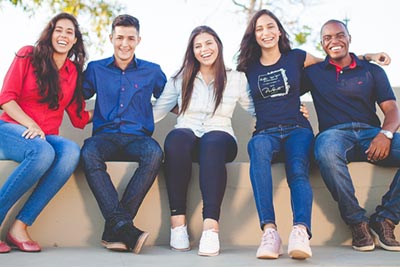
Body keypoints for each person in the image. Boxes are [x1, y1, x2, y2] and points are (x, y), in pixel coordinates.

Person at [236, 9, 390, 260]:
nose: (266, 33)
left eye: (271, 26)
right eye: (260, 29)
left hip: (298, 129)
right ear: (253, 35)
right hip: (265, 131)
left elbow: (334, 61)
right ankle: (270, 232)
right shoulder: (247, 68)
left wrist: (368, 56)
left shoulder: (296, 57)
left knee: (297, 168)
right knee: (258, 150)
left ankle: (300, 231)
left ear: (279, 31)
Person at [152, 25, 255, 257]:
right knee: (176, 139)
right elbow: (156, 113)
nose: (204, 49)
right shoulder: (180, 79)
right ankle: (178, 225)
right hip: (187, 135)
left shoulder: (236, 79)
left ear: (218, 44)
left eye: (208, 43)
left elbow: (256, 109)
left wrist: (290, 111)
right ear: (192, 51)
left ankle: (211, 228)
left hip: (220, 137)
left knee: (212, 142)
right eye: (197, 46)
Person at [302, 19, 400, 252]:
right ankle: (357, 222)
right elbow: (288, 67)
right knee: (324, 150)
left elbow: (392, 110)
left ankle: (385, 219)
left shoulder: (372, 70)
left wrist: (385, 134)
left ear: (349, 38)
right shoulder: (314, 73)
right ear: (322, 44)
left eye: (339, 35)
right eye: (327, 38)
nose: (334, 41)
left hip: (372, 134)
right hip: (334, 135)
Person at [0, 13, 91, 253]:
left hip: (45, 136)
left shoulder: (73, 72)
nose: (63, 35)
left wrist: (116, 112)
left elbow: (78, 116)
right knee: (42, 153)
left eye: (69, 32)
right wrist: (29, 124)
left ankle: (19, 226)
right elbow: (6, 98)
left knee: (71, 151)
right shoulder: (28, 55)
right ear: (50, 34)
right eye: (58, 30)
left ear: (75, 40)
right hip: (11, 127)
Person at [80, 14, 166, 254]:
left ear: (139, 39)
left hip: (138, 138)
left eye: (130, 38)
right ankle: (124, 228)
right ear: (111, 38)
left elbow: (173, 98)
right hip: (104, 137)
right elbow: (74, 96)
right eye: (119, 38)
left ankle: (116, 228)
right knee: (88, 152)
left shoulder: (152, 71)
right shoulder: (96, 69)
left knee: (154, 153)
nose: (124, 44)